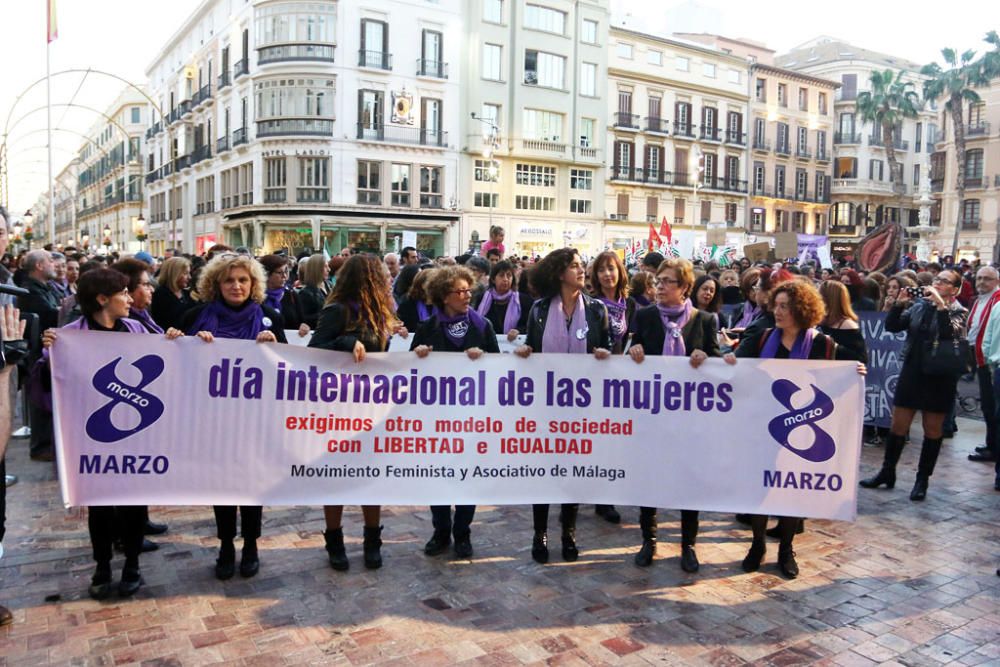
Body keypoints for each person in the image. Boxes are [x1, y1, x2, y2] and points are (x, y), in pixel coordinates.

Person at [42, 269, 183, 598]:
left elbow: (166, 355)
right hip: (92, 437)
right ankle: (102, 565)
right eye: (123, 293)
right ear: (103, 299)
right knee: (100, 506)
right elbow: (51, 380)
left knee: (133, 502)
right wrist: (50, 351)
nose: (131, 298)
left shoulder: (136, 328)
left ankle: (132, 564)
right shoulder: (70, 335)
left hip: (136, 435)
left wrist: (175, 340)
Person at [730, 280, 866, 578]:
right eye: (775, 305)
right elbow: (737, 366)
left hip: (801, 430)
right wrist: (728, 360)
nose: (777, 312)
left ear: (801, 310)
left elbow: (854, 365)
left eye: (784, 307)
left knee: (791, 490)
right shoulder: (764, 336)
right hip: (762, 427)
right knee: (759, 489)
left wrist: (857, 371)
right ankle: (756, 545)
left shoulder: (823, 344)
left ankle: (786, 549)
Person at [181, 255, 287, 580]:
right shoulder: (196, 318)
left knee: (252, 483)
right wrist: (182, 341)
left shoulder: (269, 318)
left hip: (256, 419)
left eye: (243, 280)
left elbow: (288, 371)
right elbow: (176, 362)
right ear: (216, 284)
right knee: (223, 484)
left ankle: (251, 545)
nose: (236, 286)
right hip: (213, 419)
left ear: (253, 284)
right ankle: (226, 544)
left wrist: (275, 347)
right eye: (229, 280)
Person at [627, 258, 730, 571]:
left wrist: (706, 357)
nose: (660, 287)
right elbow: (633, 350)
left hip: (689, 420)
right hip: (653, 415)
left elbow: (715, 360)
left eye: (668, 282)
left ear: (685, 287)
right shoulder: (644, 315)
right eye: (658, 281)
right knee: (650, 478)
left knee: (689, 480)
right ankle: (649, 539)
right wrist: (635, 352)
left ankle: (688, 544)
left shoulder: (705, 320)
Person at [515, 248, 612, 563]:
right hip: (547, 403)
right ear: (559, 273)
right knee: (544, 469)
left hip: (583, 405)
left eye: (581, 265)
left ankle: (569, 532)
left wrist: (603, 355)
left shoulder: (597, 310)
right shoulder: (540, 309)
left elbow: (609, 351)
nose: (582, 270)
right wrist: (526, 351)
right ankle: (539, 533)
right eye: (574, 266)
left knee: (574, 471)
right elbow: (533, 343)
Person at [309, 255, 402, 570]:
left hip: (370, 406)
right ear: (369, 279)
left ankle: (372, 539)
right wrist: (347, 342)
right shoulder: (337, 311)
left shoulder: (381, 313)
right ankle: (334, 540)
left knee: (369, 476)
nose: (389, 279)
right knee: (335, 476)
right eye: (383, 275)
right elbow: (315, 349)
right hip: (337, 406)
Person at [412, 266, 499, 559]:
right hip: (436, 418)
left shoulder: (482, 325)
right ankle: (440, 530)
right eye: (459, 292)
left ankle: (462, 532)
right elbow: (409, 371)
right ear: (443, 296)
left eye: (468, 291)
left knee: (467, 475)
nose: (466, 296)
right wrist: (420, 355)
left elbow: (499, 368)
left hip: (472, 417)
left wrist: (484, 358)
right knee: (438, 475)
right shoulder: (427, 328)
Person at [860, 270, 968, 501]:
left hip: (940, 375)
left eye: (945, 282)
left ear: (955, 289)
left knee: (932, 428)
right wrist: (898, 305)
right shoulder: (919, 306)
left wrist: (940, 306)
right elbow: (893, 326)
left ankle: (922, 480)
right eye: (937, 280)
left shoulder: (959, 311)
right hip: (913, 370)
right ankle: (887, 472)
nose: (938, 284)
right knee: (898, 424)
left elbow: (950, 333)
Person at [588, 250, 630, 524]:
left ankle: (608, 494)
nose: (607, 274)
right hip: (595, 380)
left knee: (616, 441)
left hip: (623, 382)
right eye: (602, 269)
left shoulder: (633, 305)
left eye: (611, 268)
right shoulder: (590, 306)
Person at [964, 266, 1000, 463]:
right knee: (987, 405)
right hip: (980, 357)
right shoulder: (979, 300)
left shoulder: (998, 300)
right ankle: (991, 443)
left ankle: (994, 447)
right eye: (979, 278)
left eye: (987, 279)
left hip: (991, 360)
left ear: (996, 281)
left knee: (992, 405)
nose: (981, 282)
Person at [474, 260, 532, 342]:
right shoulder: (482, 298)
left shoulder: (523, 300)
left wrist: (519, 330)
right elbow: (475, 322)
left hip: (513, 346)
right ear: (493, 279)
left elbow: (530, 325)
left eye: (509, 276)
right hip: (487, 345)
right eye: (501, 275)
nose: (505, 279)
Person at [818, 281, 868, 363]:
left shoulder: (847, 325)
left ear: (830, 299)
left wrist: (832, 346)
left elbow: (861, 358)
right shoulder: (819, 321)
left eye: (820, 297)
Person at [259, 254, 303, 334]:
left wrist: (304, 326)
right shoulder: (256, 297)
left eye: (286, 271)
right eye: (280, 272)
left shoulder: (291, 295)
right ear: (267, 274)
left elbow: (302, 320)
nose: (285, 276)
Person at [150, 256, 195, 331]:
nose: (189, 277)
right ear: (175, 274)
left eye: (189, 273)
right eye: (185, 273)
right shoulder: (161, 295)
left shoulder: (186, 293)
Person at [296, 253, 331, 330]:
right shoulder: (306, 293)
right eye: (325, 266)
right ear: (316, 269)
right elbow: (304, 319)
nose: (329, 269)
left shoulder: (330, 286)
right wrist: (326, 314)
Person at [396, 268, 436, 333]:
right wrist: (402, 330)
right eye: (434, 282)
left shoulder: (443, 303)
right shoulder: (407, 304)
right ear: (423, 285)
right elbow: (401, 325)